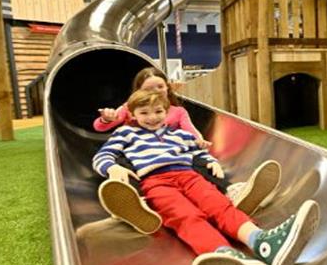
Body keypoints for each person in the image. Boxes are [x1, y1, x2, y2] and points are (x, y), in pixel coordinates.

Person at [92, 89, 321, 265]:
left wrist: (210, 161)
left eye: (158, 111)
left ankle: (262, 242)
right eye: (144, 113)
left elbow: (197, 153)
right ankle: (223, 255)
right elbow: (103, 155)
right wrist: (111, 167)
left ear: (166, 111)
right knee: (186, 216)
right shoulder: (127, 133)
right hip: (156, 181)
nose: (152, 117)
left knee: (220, 206)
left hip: (188, 175)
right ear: (133, 114)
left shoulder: (179, 134)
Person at [95, 67, 280, 234]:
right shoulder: (131, 108)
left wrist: (199, 141)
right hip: (141, 154)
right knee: (122, 163)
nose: (155, 92)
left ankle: (230, 191)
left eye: (159, 87)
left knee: (198, 162)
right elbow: (101, 127)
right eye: (148, 88)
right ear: (138, 92)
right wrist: (107, 118)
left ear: (167, 87)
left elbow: (189, 130)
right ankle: (136, 202)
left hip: (172, 155)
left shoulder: (176, 110)